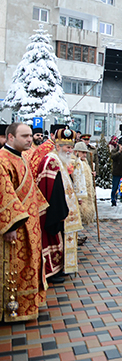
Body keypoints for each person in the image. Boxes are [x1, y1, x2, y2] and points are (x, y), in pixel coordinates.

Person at [0, 123, 50, 322]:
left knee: (29, 264)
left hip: (29, 226)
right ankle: (12, 307)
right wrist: (10, 225)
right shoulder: (3, 160)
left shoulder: (21, 158)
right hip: (15, 228)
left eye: (30, 135)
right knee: (14, 266)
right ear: (11, 137)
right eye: (24, 136)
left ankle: (28, 304)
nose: (30, 139)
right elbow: (4, 194)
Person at [36, 127, 83, 283]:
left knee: (60, 240)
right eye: (67, 147)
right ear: (58, 146)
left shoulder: (60, 160)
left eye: (71, 147)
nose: (70, 150)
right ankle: (51, 272)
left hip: (61, 208)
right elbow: (50, 188)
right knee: (52, 239)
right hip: (52, 209)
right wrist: (59, 210)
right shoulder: (50, 160)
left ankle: (58, 269)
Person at [70, 142, 96, 244]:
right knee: (76, 216)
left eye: (85, 153)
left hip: (86, 193)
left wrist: (91, 174)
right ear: (76, 152)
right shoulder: (73, 162)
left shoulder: (84, 162)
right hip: (77, 194)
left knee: (81, 217)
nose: (85, 155)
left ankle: (76, 236)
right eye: (82, 152)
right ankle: (74, 238)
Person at [110, 138, 122, 206]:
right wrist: (119, 152)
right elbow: (113, 157)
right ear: (118, 144)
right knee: (115, 187)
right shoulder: (114, 150)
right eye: (121, 145)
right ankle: (113, 200)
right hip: (117, 173)